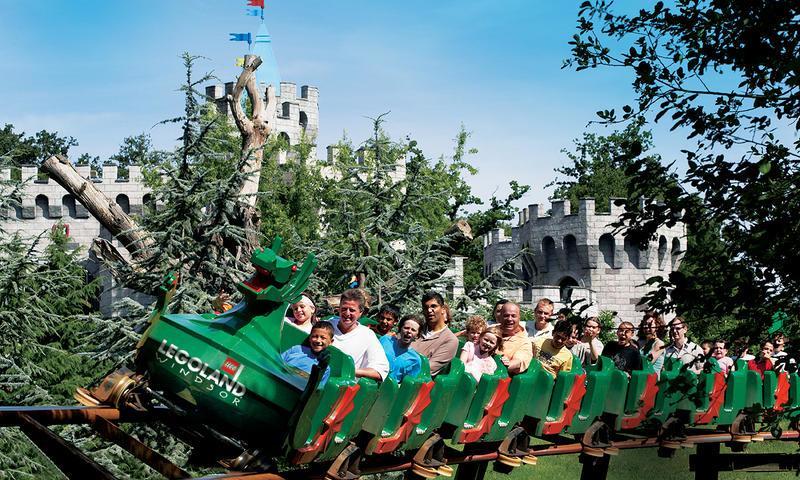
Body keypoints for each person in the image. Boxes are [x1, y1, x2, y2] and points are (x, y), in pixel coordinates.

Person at [330, 289, 390, 381]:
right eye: (344, 308)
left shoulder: (367, 335)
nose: (347, 313)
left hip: (342, 385)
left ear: (360, 312)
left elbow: (380, 370)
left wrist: (351, 371)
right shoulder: (327, 325)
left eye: (352, 310)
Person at [411, 292, 459, 376]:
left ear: (443, 309)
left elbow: (427, 369)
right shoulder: (416, 328)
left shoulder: (449, 340)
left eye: (433, 306)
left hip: (416, 382)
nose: (429, 310)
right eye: (426, 307)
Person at [488, 302, 533, 375]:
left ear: (519, 317)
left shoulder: (524, 342)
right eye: (506, 315)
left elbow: (519, 360)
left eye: (513, 316)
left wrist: (506, 364)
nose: (509, 319)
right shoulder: (491, 330)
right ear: (500, 317)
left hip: (502, 377)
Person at [379, 315, 423, 382]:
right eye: (406, 328)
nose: (409, 331)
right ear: (400, 329)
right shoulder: (385, 340)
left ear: (417, 336)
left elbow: (408, 384)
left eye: (413, 330)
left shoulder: (415, 359)